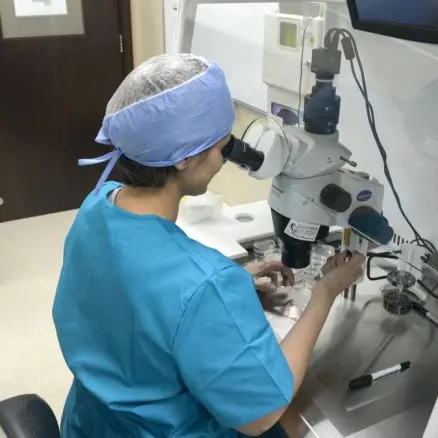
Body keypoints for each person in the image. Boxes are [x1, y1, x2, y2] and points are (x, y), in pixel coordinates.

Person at [53, 54, 365, 437]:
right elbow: (260, 415)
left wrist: (232, 282)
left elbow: (133, 295)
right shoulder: (204, 285)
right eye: (221, 148)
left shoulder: (98, 205)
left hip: (90, 424)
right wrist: (325, 292)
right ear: (184, 159)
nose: (223, 160)